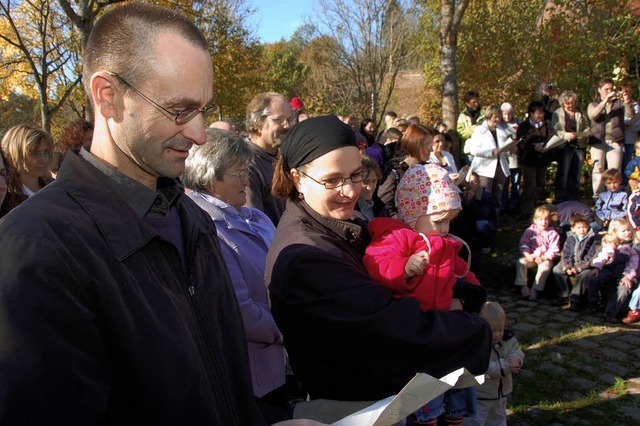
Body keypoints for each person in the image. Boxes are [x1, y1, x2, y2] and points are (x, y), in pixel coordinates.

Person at [0, 4, 322, 425]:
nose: (200, 134)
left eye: (203, 109)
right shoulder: (35, 250)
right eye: (179, 110)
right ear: (107, 96)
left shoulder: (193, 219)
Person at [265, 115, 492, 419]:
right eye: (332, 180)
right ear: (297, 179)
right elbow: (389, 328)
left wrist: (465, 293)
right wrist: (477, 327)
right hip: (353, 407)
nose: (350, 191)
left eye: (356, 174)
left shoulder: (340, 221)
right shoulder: (306, 257)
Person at [364, 163, 486, 426]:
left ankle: (452, 415)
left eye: (449, 221)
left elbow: (462, 273)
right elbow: (377, 263)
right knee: (423, 384)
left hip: (441, 325)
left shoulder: (446, 244)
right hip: (412, 327)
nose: (444, 228)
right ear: (413, 213)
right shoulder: (396, 236)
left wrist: (476, 295)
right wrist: (404, 268)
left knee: (451, 378)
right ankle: (426, 417)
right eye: (438, 221)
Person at [183, 128, 288, 422]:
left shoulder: (254, 216)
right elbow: (239, 311)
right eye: (237, 173)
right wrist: (290, 329)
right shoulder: (207, 229)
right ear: (209, 176)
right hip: (252, 375)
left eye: (246, 171)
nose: (246, 181)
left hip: (279, 363)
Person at [466, 302, 524, 426]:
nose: (497, 334)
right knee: (475, 421)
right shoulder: (477, 346)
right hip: (481, 395)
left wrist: (515, 358)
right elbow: (484, 367)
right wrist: (506, 366)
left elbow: (516, 349)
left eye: (500, 330)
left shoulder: (508, 340)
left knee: (498, 418)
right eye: (492, 331)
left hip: (500, 394)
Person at [245, 92, 293, 226]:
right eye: (279, 120)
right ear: (258, 122)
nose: (287, 126)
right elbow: (254, 224)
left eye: (289, 119)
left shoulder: (282, 157)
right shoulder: (246, 165)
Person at [586, 218, 638, 323]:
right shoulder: (610, 244)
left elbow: (634, 264)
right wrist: (597, 267)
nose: (628, 233)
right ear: (615, 232)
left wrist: (627, 276)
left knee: (624, 289)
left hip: (623, 274)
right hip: (608, 270)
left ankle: (610, 313)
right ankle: (594, 303)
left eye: (629, 230)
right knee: (593, 278)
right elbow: (603, 256)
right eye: (623, 231)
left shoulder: (632, 247)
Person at [377, 124, 434, 218]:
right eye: (427, 144)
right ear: (414, 144)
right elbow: (384, 204)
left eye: (431, 144)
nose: (431, 149)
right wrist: (404, 223)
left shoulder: (428, 170)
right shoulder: (395, 170)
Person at [516, 101, 556, 219]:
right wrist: (534, 146)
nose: (540, 115)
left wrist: (546, 146)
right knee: (529, 185)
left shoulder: (547, 124)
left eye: (542, 112)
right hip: (528, 159)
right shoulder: (524, 126)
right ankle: (526, 210)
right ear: (531, 113)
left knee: (539, 184)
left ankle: (537, 210)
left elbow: (552, 136)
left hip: (542, 158)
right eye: (537, 113)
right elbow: (521, 142)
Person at [467, 105, 512, 211]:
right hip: (484, 169)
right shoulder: (479, 130)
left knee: (498, 197)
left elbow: (504, 148)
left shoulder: (501, 130)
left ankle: (495, 221)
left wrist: (510, 150)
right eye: (495, 117)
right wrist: (490, 152)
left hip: (500, 167)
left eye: (499, 117)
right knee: (484, 196)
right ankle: (483, 221)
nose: (497, 119)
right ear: (488, 116)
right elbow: (473, 150)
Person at [552, 214, 601, 310]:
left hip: (584, 265)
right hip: (571, 263)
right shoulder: (570, 238)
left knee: (585, 274)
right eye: (578, 228)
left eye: (584, 227)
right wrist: (567, 267)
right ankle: (564, 295)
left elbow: (591, 257)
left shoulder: (593, 239)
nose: (582, 230)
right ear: (573, 229)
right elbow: (565, 254)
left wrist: (578, 268)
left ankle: (575, 299)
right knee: (557, 270)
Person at [514, 205, 561, 301]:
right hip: (531, 256)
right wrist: (527, 254)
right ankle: (523, 285)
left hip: (545, 258)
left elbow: (554, 249)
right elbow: (523, 244)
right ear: (535, 220)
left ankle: (536, 288)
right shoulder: (530, 231)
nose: (543, 222)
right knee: (521, 262)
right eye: (540, 219)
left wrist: (544, 257)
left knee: (545, 267)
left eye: (546, 219)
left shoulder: (553, 233)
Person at [588, 78, 625, 197]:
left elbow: (629, 116)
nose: (609, 91)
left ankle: (614, 196)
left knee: (614, 170)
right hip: (598, 141)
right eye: (606, 89)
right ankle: (598, 196)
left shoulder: (619, 103)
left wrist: (627, 102)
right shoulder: (593, 104)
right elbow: (593, 115)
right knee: (598, 169)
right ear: (599, 90)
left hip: (614, 141)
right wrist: (604, 102)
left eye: (611, 89)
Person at [551, 91, 590, 202]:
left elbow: (586, 126)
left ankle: (574, 197)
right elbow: (555, 130)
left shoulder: (580, 112)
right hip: (564, 146)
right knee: (563, 173)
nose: (570, 106)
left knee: (576, 173)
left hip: (579, 146)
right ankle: (561, 198)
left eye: (572, 103)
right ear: (563, 103)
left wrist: (585, 134)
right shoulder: (557, 113)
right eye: (568, 104)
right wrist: (567, 135)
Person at [1, 124, 53, 201]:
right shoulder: (4, 196)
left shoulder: (56, 189)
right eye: (35, 153)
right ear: (15, 154)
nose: (44, 159)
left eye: (46, 151)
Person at [458, 172, 498, 255]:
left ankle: (486, 245)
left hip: (484, 221)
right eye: (470, 182)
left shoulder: (486, 195)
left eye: (475, 181)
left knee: (481, 225)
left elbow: (484, 214)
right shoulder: (463, 193)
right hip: (469, 222)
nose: (474, 184)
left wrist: (471, 201)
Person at [500, 102, 521, 214]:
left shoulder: (519, 122)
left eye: (509, 114)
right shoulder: (499, 124)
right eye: (504, 114)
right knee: (504, 183)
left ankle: (513, 204)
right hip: (504, 158)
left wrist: (517, 146)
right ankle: (503, 205)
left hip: (516, 158)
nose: (507, 117)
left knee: (516, 182)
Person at [592, 168, 627, 232]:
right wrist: (602, 220)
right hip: (603, 221)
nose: (612, 185)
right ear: (605, 184)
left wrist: (612, 220)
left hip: (617, 221)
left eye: (615, 182)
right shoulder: (603, 195)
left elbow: (626, 211)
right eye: (609, 183)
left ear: (620, 181)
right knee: (589, 228)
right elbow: (597, 209)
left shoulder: (624, 195)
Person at [354, 154, 387, 221]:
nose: (370, 187)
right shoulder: (348, 211)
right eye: (365, 182)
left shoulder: (380, 206)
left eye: (374, 181)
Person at [458, 90, 484, 166]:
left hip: (482, 149)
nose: (476, 104)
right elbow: (460, 133)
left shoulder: (484, 114)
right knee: (471, 176)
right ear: (467, 103)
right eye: (473, 102)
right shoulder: (462, 116)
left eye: (477, 101)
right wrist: (474, 129)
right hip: (468, 151)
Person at [620, 80, 640, 174]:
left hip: (629, 139)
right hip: (616, 139)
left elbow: (637, 123)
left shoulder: (635, 106)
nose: (626, 94)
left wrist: (629, 125)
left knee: (627, 163)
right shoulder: (616, 104)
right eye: (624, 92)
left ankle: (624, 184)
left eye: (628, 91)